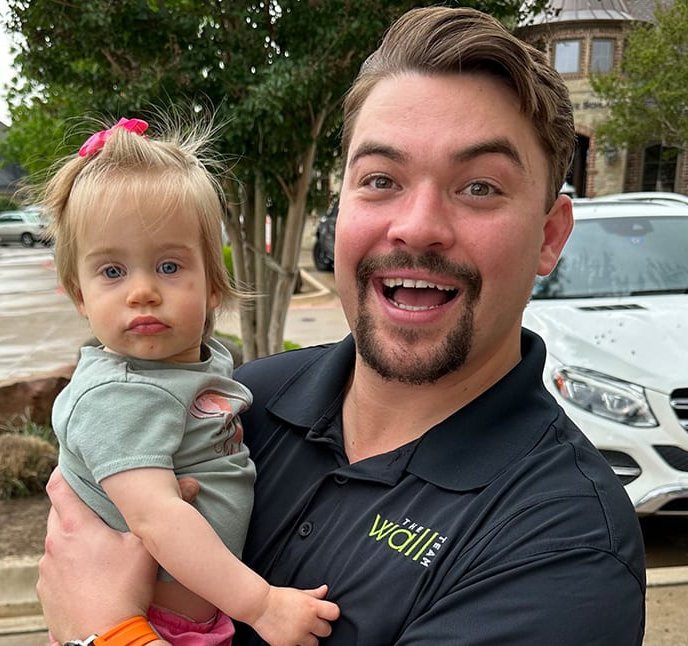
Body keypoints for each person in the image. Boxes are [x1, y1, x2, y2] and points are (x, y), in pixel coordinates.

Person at [37, 6, 647, 645]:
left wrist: (104, 633)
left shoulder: (559, 546)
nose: (417, 225)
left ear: (549, 237)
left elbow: (93, 598)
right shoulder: (251, 401)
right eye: (381, 179)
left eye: (479, 188)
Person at [40, 117, 339, 646]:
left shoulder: (192, 368)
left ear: (214, 285)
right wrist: (262, 604)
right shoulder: (120, 395)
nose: (142, 292)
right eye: (112, 271)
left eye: (170, 266)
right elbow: (155, 517)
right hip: (158, 625)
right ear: (79, 293)